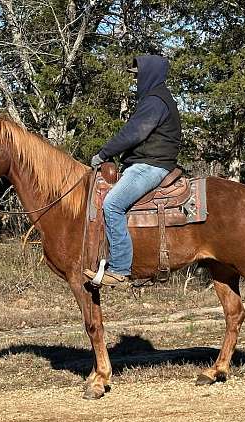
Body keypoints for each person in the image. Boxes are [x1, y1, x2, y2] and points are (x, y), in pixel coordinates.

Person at [84, 55, 182, 287]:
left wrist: (103, 154)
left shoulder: (156, 100)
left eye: (138, 76)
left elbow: (134, 133)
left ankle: (119, 269)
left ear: (151, 74)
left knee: (112, 204)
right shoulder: (155, 99)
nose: (136, 80)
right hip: (148, 162)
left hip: (151, 165)